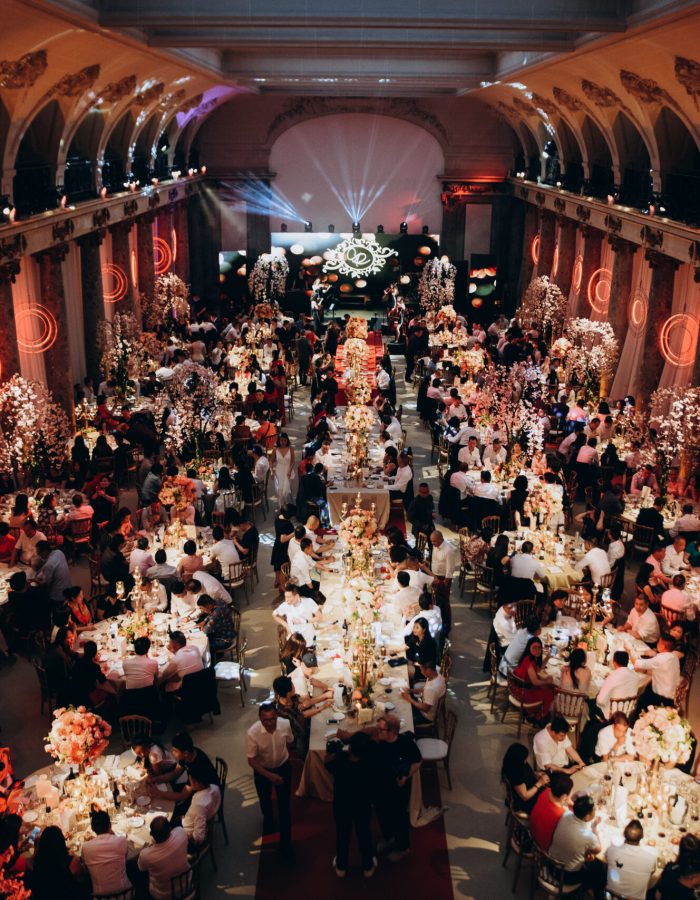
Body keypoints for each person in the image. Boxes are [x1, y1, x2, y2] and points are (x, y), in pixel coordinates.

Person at [326, 731, 378, 878]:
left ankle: (341, 866)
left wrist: (337, 749)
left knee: (342, 834)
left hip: (342, 804)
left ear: (350, 748)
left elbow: (326, 762)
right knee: (364, 833)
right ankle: (368, 866)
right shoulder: (370, 763)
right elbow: (373, 741)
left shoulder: (340, 760)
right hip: (363, 804)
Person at [245, 703, 295, 859]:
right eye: (266, 720)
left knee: (284, 804)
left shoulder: (285, 725)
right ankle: (269, 823)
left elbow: (290, 741)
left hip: (283, 766)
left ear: (277, 716)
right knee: (265, 800)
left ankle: (285, 845)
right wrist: (270, 775)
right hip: (262, 770)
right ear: (260, 718)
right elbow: (251, 760)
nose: (270, 723)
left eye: (273, 719)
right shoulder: (252, 733)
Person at [372, 715, 422, 862]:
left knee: (399, 819)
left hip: (397, 790)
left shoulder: (406, 744)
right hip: (380, 787)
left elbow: (418, 761)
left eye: (381, 730)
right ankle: (388, 837)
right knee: (382, 814)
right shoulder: (378, 743)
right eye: (378, 728)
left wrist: (406, 777)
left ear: (392, 732)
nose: (378, 732)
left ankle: (403, 848)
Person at [549, 794, 606, 899]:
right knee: (599, 869)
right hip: (566, 876)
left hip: (549, 864)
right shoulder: (588, 836)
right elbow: (598, 849)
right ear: (587, 817)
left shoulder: (565, 815)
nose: (595, 810)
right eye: (594, 810)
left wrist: (586, 853)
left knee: (590, 860)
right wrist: (594, 828)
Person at [137, 816, 189, 900]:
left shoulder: (146, 855)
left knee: (137, 874)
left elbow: (141, 868)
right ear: (170, 829)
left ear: (152, 835)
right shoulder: (181, 832)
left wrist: (149, 847)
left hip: (163, 895)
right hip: (186, 881)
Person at [81, 809, 130, 897]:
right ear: (110, 825)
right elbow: (125, 859)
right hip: (124, 893)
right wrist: (112, 833)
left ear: (92, 828)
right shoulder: (121, 841)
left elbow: (85, 868)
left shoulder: (85, 848)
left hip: (100, 896)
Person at [605, 819, 657, 900]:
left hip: (611, 896)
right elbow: (652, 872)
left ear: (624, 834)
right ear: (643, 836)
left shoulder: (611, 849)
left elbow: (606, 860)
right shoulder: (651, 856)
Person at [30, 825, 85, 900]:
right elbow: (82, 878)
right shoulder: (71, 861)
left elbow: (33, 840)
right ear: (61, 841)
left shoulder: (36, 861)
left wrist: (36, 829)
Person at [181, 761, 222, 849]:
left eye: (190, 780)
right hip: (197, 819)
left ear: (196, 782)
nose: (189, 782)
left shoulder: (199, 805)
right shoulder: (215, 787)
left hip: (188, 833)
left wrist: (187, 836)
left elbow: (199, 837)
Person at [529, 771, 574, 851]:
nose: (572, 792)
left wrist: (566, 801)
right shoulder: (562, 815)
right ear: (564, 796)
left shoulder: (547, 791)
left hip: (532, 829)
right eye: (571, 791)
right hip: (544, 845)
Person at [513, 636, 555, 719]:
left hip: (518, 687)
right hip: (522, 692)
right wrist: (548, 681)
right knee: (550, 691)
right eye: (534, 648)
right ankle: (539, 717)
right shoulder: (529, 661)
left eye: (539, 648)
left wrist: (547, 658)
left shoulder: (529, 657)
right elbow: (535, 682)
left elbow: (538, 669)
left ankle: (539, 711)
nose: (537, 650)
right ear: (529, 648)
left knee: (548, 686)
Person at [501, 742, 549, 814]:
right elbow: (525, 796)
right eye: (525, 759)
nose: (526, 760)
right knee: (549, 805)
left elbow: (525, 772)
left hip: (531, 788)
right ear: (518, 760)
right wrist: (540, 783)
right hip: (525, 801)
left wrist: (535, 774)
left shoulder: (518, 763)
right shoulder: (515, 773)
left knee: (552, 793)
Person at [634, 635, 681, 707]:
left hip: (661, 698)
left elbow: (636, 663)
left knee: (641, 698)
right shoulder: (674, 657)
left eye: (659, 642)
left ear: (663, 647)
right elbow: (661, 671)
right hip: (672, 694)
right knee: (647, 687)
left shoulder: (660, 658)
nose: (657, 644)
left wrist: (629, 650)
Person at [595, 651, 641, 720]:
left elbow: (600, 701)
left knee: (591, 703)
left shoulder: (612, 677)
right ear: (627, 662)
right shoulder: (636, 676)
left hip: (613, 715)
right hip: (628, 713)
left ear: (614, 662)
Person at [401, 659, 446, 726]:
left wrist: (409, 699)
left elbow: (425, 709)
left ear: (428, 670)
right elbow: (424, 689)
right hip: (425, 702)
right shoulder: (437, 675)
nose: (421, 672)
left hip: (426, 717)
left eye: (421, 669)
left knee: (403, 716)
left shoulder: (432, 689)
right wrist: (411, 690)